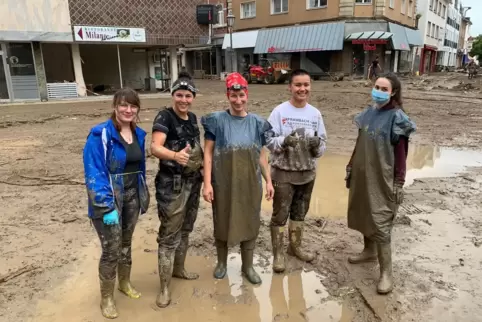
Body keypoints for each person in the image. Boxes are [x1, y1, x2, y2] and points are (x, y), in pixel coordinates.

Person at [345, 73, 416, 294]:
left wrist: (399, 182)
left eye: (384, 89)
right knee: (364, 211)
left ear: (393, 92)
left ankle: (386, 273)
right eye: (377, 86)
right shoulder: (367, 113)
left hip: (383, 176)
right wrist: (350, 166)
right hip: (362, 172)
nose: (379, 91)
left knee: (381, 220)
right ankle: (368, 251)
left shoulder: (398, 118)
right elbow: (359, 142)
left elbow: (401, 153)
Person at [201, 72, 274, 285]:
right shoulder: (216, 121)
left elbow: (261, 154)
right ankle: (222, 263)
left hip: (250, 182)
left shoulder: (258, 123)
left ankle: (247, 266)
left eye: (242, 95)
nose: (238, 100)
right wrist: (207, 184)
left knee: (250, 219)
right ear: (227, 96)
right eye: (234, 96)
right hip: (223, 181)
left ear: (247, 95)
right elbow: (207, 153)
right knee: (222, 218)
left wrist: (268, 180)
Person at [83, 88, 149, 319]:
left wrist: (142, 195)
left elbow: (139, 168)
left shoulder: (139, 134)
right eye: (124, 105)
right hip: (110, 200)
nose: (128, 110)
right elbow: (94, 173)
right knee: (111, 250)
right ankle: (107, 298)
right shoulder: (99, 134)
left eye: (133, 106)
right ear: (115, 106)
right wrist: (106, 206)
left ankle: (124, 283)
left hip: (132, 197)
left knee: (126, 243)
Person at [265, 69, 327, 273]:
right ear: (289, 87)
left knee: (300, 213)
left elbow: (323, 147)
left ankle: (295, 247)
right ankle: (278, 254)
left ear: (310, 86)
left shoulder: (315, 114)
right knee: (280, 215)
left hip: (307, 173)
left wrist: (317, 144)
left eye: (306, 85)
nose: (302, 89)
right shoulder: (279, 112)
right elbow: (267, 141)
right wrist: (284, 141)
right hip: (283, 173)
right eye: (298, 85)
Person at [150, 72, 204, 308]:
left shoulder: (192, 118)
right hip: (171, 185)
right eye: (179, 95)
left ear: (193, 97)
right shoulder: (165, 116)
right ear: (173, 95)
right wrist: (175, 156)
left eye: (188, 95)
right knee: (169, 234)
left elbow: (197, 148)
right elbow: (154, 147)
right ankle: (163, 288)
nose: (184, 99)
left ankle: (179, 269)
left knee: (186, 229)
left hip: (193, 183)